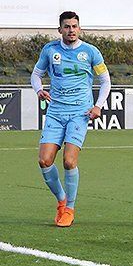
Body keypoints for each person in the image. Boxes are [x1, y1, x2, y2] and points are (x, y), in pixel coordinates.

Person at [31, 11, 111, 228]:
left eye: (74, 26)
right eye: (67, 26)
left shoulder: (90, 52)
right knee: (44, 160)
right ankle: (61, 200)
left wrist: (98, 105)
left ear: (79, 28)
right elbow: (36, 74)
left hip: (80, 113)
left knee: (69, 161)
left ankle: (70, 209)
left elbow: (105, 80)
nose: (71, 30)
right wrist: (39, 90)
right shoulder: (50, 50)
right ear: (60, 30)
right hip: (56, 112)